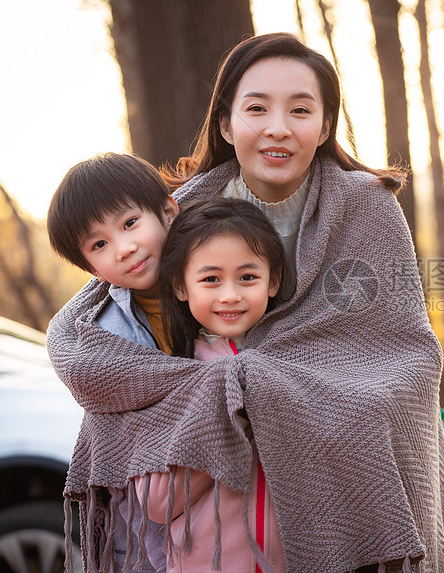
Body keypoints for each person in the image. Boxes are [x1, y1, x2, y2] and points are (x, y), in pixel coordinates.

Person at [47, 32, 444, 573]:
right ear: (225, 123)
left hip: (322, 472)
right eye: (257, 108)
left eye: (301, 109)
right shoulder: (180, 214)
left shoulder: (366, 210)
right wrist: (221, 392)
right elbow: (99, 312)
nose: (278, 127)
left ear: (325, 124)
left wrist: (279, 389)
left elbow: (404, 354)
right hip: (215, 522)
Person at [47, 151, 179, 572]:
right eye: (100, 244)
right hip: (150, 529)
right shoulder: (103, 338)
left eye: (130, 223)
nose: (124, 248)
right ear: (91, 268)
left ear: (168, 212)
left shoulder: (222, 285)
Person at [136, 198, 285, 573]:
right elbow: (156, 503)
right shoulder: (174, 379)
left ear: (274, 281)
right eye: (211, 279)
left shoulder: (294, 364)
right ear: (181, 286)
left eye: (247, 277)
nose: (230, 294)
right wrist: (233, 420)